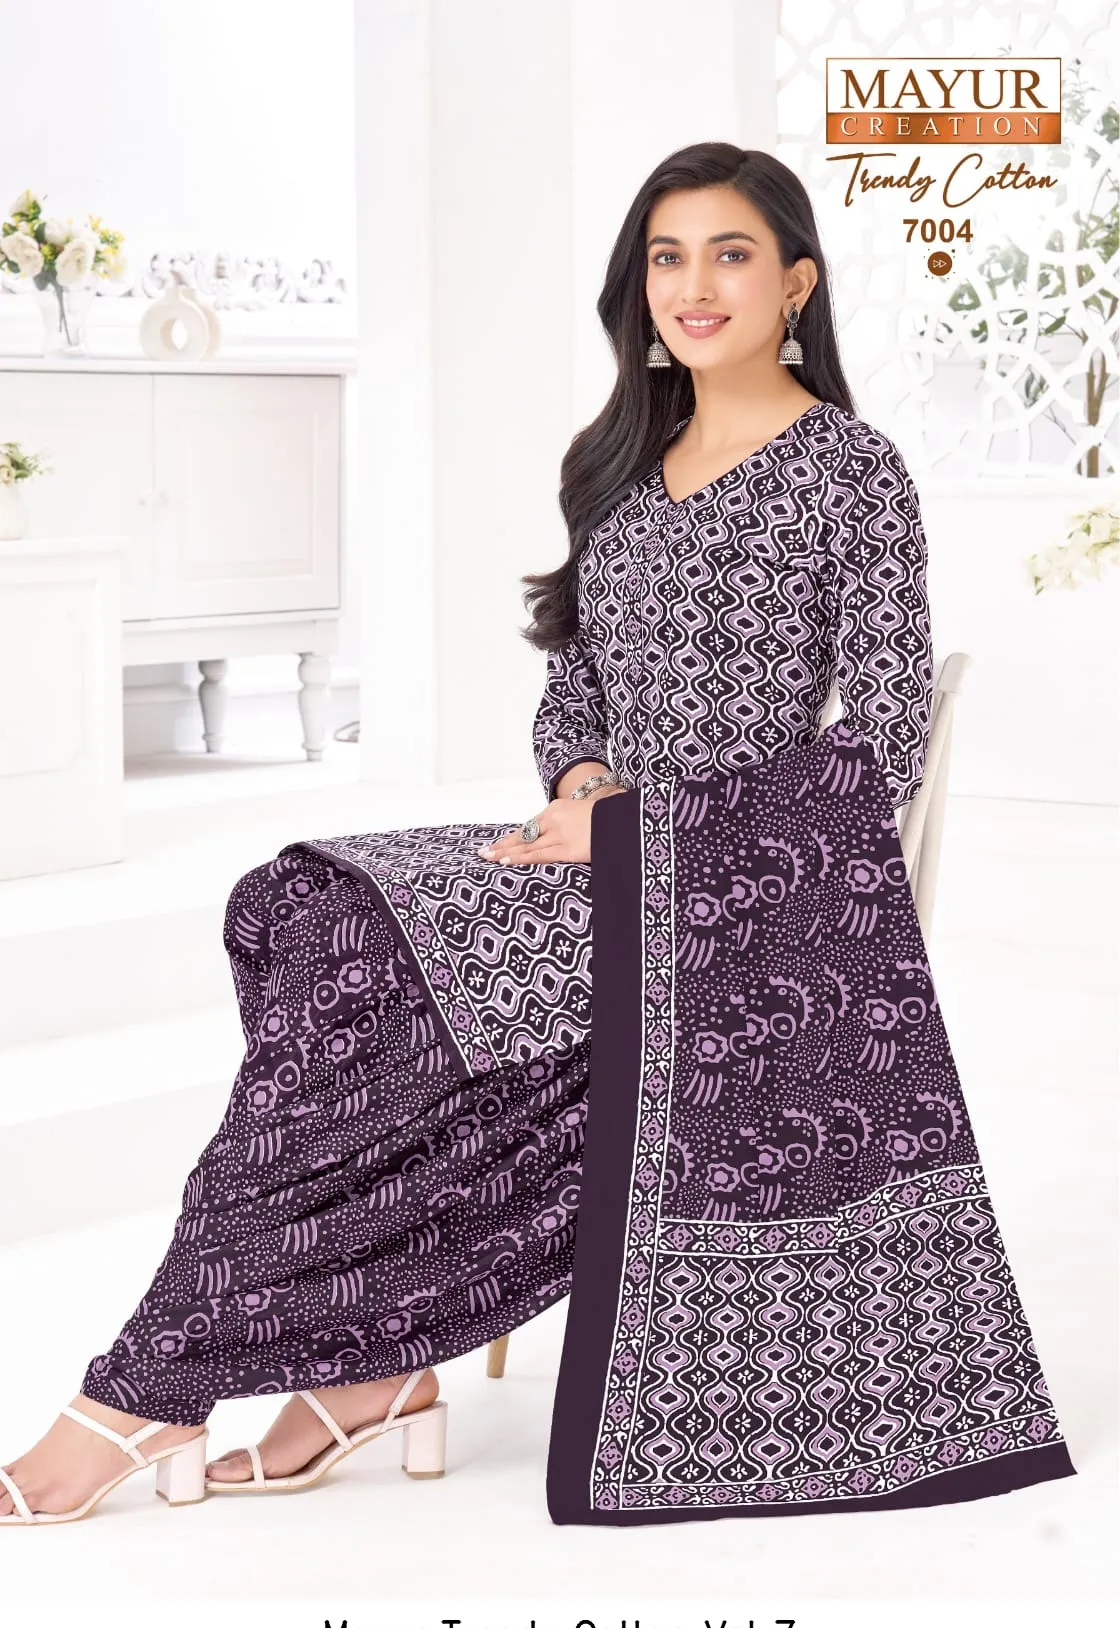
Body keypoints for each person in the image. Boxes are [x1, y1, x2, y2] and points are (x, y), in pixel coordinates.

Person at [0, 143, 933, 1523]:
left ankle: (157, 1384)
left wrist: (650, 828)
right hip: (586, 852)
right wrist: (586, 782)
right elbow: (577, 684)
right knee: (305, 906)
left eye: (730, 254)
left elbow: (887, 743)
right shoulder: (619, 464)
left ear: (796, 283)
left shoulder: (850, 469)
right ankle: (366, 1364)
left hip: (728, 888)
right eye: (667, 257)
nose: (694, 285)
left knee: (367, 970)